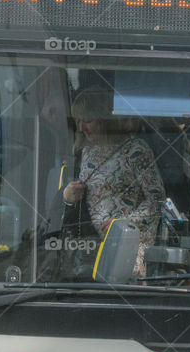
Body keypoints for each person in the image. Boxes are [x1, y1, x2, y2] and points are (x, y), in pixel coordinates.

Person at [62, 88, 163, 276]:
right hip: (88, 249)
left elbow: (157, 201)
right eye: (79, 121)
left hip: (126, 249)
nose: (82, 127)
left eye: (88, 121)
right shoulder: (83, 153)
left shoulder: (135, 150)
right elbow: (67, 206)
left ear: (104, 119)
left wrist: (124, 222)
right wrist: (67, 196)